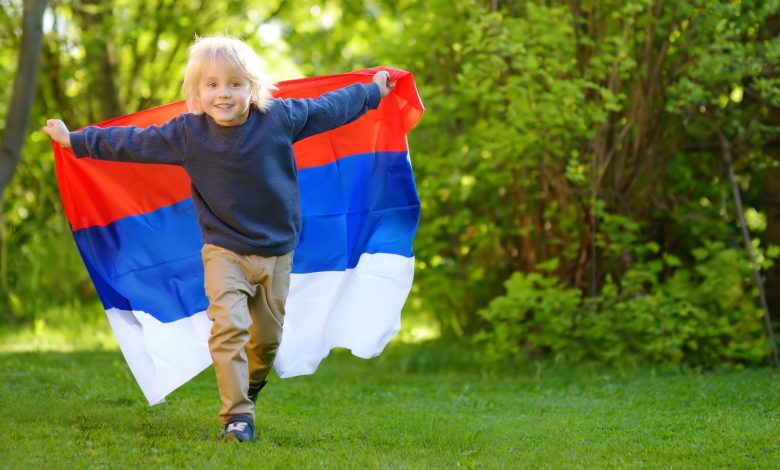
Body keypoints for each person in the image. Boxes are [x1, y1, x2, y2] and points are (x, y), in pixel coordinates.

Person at [42, 35, 394, 443]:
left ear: (253, 88)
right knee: (229, 327)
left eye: (233, 84)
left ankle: (250, 386)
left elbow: (329, 109)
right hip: (223, 250)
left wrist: (372, 92)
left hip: (277, 253)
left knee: (266, 341)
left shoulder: (279, 118)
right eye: (211, 85)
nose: (222, 94)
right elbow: (133, 141)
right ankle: (237, 417)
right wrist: (76, 140)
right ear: (196, 92)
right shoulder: (188, 134)